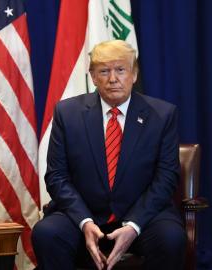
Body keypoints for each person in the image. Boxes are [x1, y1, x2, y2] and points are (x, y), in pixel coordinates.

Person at [32, 40, 186, 270]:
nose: (113, 78)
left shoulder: (162, 115)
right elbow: (56, 176)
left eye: (121, 69)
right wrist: (84, 222)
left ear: (133, 74)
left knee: (171, 238)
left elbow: (166, 177)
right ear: (93, 77)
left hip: (143, 215)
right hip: (83, 214)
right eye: (104, 71)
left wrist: (134, 224)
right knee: (46, 234)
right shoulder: (67, 113)